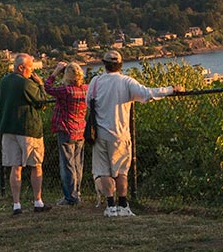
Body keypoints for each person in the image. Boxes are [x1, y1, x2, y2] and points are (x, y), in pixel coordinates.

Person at [85, 50, 183, 217]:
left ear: (105, 64)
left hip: (99, 134)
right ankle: (123, 205)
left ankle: (111, 206)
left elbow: (89, 103)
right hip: (120, 134)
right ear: (120, 65)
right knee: (121, 172)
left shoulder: (95, 82)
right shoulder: (126, 82)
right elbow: (148, 93)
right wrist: (171, 89)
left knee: (104, 172)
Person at [0, 53, 53, 214]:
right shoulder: (25, 84)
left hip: (7, 128)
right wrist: (40, 85)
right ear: (21, 67)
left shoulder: (3, 82)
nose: (31, 72)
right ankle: (37, 201)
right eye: (30, 68)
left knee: (15, 166)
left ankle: (16, 204)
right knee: (35, 165)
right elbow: (41, 101)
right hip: (27, 128)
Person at [46, 62, 91, 206]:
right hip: (80, 130)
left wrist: (55, 73)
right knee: (78, 164)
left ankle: (70, 197)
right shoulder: (86, 89)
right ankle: (76, 193)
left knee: (67, 165)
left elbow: (47, 88)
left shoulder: (66, 90)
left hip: (66, 130)